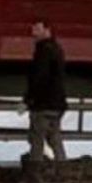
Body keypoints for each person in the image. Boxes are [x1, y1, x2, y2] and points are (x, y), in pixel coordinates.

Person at [24, 20, 68, 165]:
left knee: (36, 139)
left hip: (43, 104)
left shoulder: (42, 51)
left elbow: (39, 78)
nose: (33, 32)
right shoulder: (57, 49)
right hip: (57, 103)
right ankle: (62, 171)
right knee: (55, 138)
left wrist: (29, 99)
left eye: (37, 29)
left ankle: (34, 174)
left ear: (47, 30)